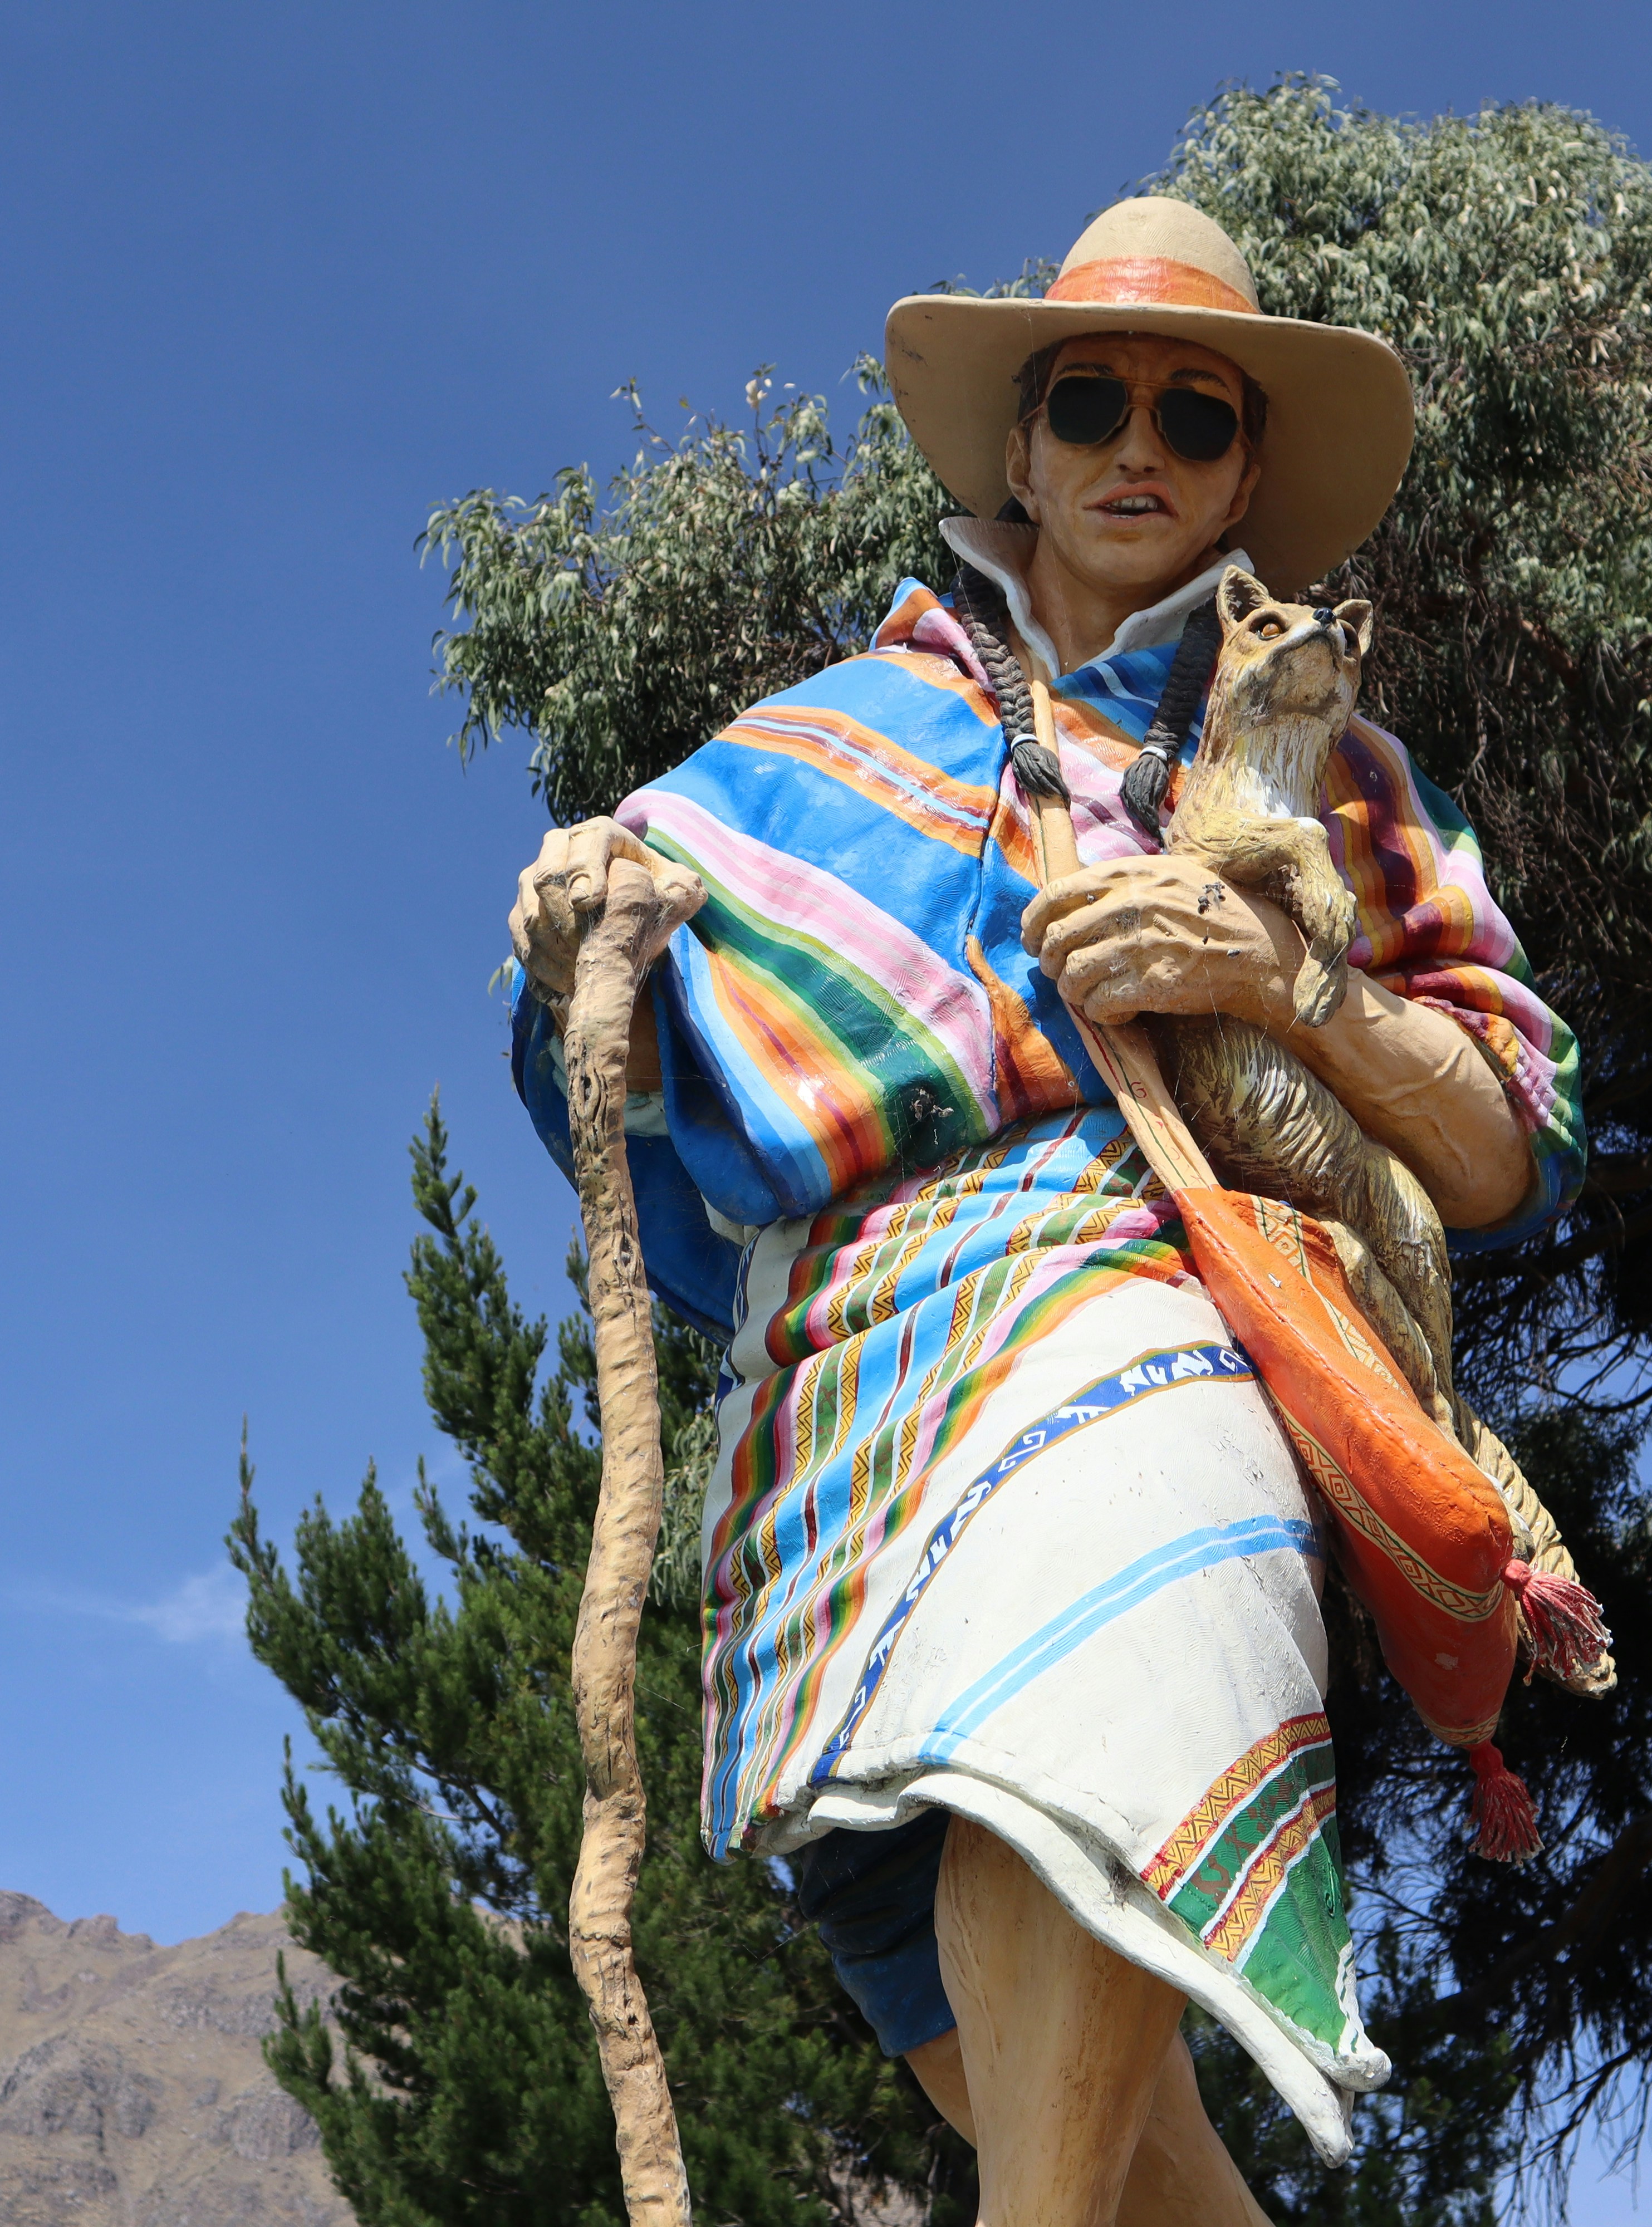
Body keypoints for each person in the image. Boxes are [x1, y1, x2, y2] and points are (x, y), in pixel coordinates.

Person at [506, 197, 1585, 2226]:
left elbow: (1505, 1139)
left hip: (1147, 1289)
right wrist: (595, 920)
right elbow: (647, 1036)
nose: (1139, 443)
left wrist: (1280, 978)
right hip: (840, 1398)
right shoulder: (826, 737)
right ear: (1019, 447)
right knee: (1120, 2153)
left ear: (1251, 472)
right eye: (1092, 396)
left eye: (1198, 410)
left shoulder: (1335, 767)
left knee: (1117, 1645)